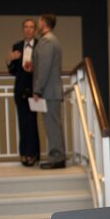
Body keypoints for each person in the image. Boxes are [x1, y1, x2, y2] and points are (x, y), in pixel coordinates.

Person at [32, 12, 65, 169]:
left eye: (38, 22)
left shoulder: (46, 41)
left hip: (49, 92)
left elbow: (43, 68)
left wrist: (37, 90)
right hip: (52, 91)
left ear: (43, 22)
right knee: (53, 125)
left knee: (52, 126)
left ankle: (57, 158)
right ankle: (57, 157)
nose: (37, 25)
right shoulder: (52, 41)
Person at [6, 18, 40, 166]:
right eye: (26, 27)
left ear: (35, 30)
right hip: (20, 89)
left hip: (34, 89)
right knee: (22, 122)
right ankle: (24, 153)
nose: (28, 29)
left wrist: (34, 69)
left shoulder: (40, 45)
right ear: (22, 29)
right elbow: (12, 71)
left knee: (32, 122)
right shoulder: (17, 46)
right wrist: (9, 59)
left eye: (31, 27)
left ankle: (33, 154)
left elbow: (43, 68)